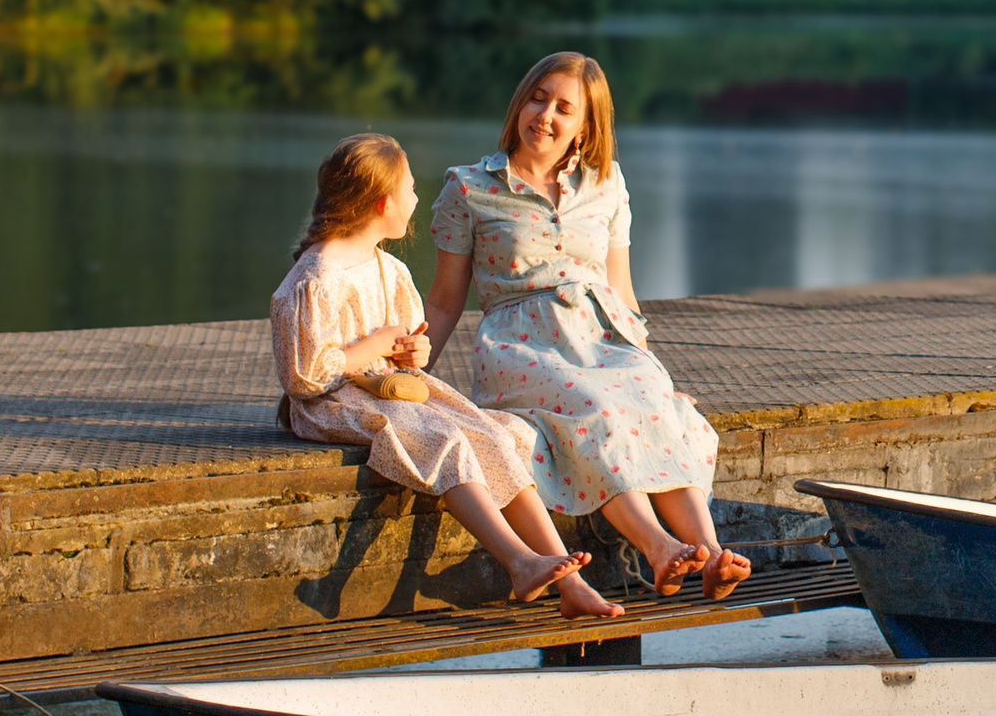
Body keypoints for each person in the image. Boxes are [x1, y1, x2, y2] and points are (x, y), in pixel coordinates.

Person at [422, 52, 753, 601]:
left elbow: (620, 290)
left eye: (563, 108)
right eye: (537, 97)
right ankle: (658, 549)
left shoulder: (607, 184)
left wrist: (652, 372)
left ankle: (712, 557)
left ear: (585, 126)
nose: (544, 115)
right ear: (519, 102)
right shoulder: (469, 188)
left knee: (659, 406)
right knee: (597, 409)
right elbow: (443, 302)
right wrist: (411, 376)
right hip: (522, 346)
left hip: (604, 337)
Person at [271, 132, 622, 620]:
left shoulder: (388, 270)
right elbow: (303, 378)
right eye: (411, 190)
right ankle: (519, 561)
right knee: (446, 440)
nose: (418, 199)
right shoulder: (315, 280)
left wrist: (412, 353)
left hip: (392, 390)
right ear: (381, 204)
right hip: (334, 402)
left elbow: (408, 352)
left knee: (491, 433)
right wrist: (369, 349)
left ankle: (570, 581)